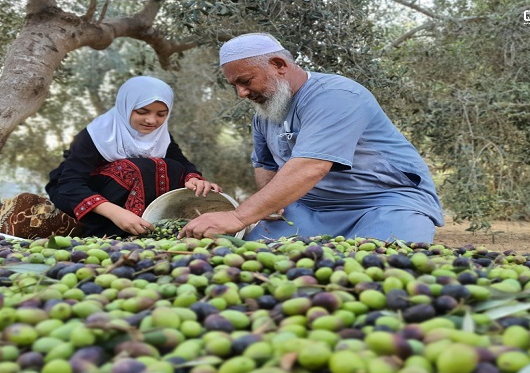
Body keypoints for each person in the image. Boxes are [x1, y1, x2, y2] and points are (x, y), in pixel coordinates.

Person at [179, 33, 444, 243]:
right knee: (252, 264)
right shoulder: (265, 113)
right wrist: (272, 206)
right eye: (234, 85)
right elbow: (265, 164)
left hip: (383, 204)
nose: (241, 93)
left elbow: (312, 166)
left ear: (279, 65)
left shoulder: (336, 95)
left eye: (246, 80)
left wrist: (239, 216)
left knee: (381, 274)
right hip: (308, 211)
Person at [45, 76, 221, 238]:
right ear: (126, 107)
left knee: (171, 166)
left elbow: (182, 162)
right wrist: (116, 213)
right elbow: (70, 183)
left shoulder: (160, 136)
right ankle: (107, 232)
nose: (152, 121)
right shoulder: (97, 134)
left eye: (161, 114)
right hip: (74, 194)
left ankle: (147, 225)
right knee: (137, 168)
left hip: (117, 198)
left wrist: (194, 179)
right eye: (142, 111)